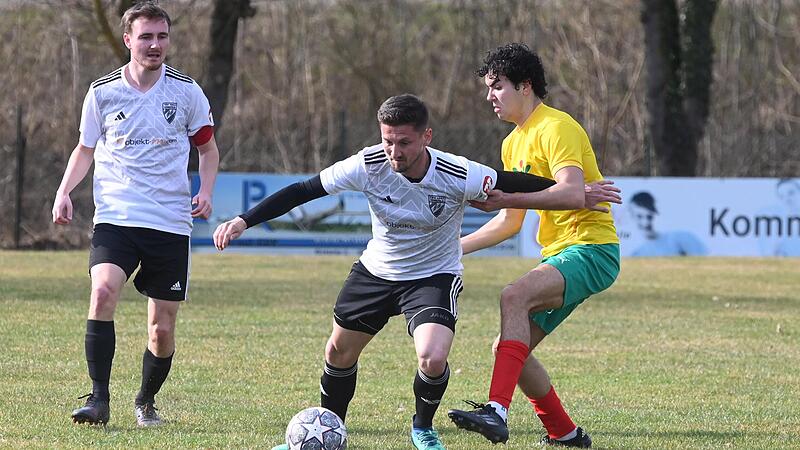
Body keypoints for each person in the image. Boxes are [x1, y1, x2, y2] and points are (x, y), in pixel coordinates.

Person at [213, 94, 619, 450]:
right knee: (337, 352)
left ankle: (422, 428)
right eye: (388, 140)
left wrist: (579, 193)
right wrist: (244, 221)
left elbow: (517, 181)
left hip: (433, 276)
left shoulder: (458, 173)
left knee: (432, 356)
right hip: (377, 271)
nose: (394, 151)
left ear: (426, 137)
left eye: (404, 142)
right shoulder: (367, 164)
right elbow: (304, 190)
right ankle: (329, 427)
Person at [51, 2, 219, 427]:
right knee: (103, 291)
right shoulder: (103, 92)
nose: (155, 44)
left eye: (162, 36)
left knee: (161, 330)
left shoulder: (186, 91)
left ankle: (145, 400)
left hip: (169, 221)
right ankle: (99, 399)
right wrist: (65, 190)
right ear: (128, 40)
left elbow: (207, 148)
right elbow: (85, 149)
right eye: (146, 36)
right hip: (118, 216)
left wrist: (206, 190)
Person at [446, 43, 621, 448]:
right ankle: (565, 434)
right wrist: (455, 247)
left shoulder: (556, 127)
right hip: (561, 253)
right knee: (510, 347)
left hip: (591, 248)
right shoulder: (511, 144)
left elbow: (572, 192)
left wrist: (511, 197)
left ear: (525, 86)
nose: (490, 95)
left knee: (513, 297)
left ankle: (496, 411)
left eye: (498, 86)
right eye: (489, 88)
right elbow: (509, 222)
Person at [628, 191, 707, 256]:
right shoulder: (638, 254)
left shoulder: (683, 238)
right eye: (639, 217)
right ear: (632, 216)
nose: (645, 223)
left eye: (649, 217)